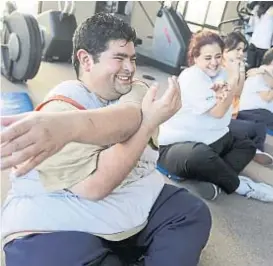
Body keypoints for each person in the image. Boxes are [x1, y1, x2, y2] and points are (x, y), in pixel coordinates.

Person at [1, 14, 212, 266]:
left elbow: (130, 115)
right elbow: (96, 187)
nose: (130, 68)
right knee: (58, 256)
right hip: (55, 217)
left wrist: (70, 128)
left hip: (123, 201)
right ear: (86, 60)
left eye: (132, 59)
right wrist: (147, 124)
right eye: (119, 58)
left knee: (192, 213)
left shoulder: (135, 88)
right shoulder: (55, 111)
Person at [157, 30, 273, 202]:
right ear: (195, 58)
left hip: (213, 139)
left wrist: (238, 71)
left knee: (246, 145)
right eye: (207, 58)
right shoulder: (191, 77)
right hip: (178, 147)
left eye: (218, 56)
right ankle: (242, 187)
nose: (214, 62)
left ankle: (215, 180)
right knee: (201, 155)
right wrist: (233, 78)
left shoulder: (222, 73)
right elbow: (218, 112)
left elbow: (238, 92)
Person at [223, 31, 273, 165]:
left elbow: (238, 92)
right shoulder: (220, 67)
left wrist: (240, 71)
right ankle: (254, 149)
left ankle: (254, 149)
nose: (241, 53)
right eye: (237, 49)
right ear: (226, 50)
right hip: (223, 116)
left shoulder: (236, 67)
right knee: (257, 127)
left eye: (242, 50)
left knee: (257, 128)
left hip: (231, 115)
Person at [238, 48, 273, 132]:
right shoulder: (258, 74)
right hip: (253, 114)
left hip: (262, 115)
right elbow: (267, 97)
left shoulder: (265, 73)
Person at [247, 1, 273, 69]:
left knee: (249, 70)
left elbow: (251, 24)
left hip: (253, 43)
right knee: (259, 73)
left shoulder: (257, 7)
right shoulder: (271, 10)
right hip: (264, 47)